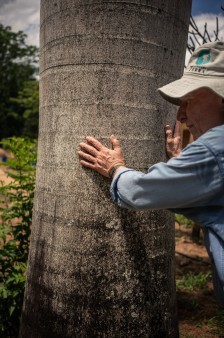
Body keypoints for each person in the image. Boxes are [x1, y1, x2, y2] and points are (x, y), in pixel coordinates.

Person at [78, 41, 224, 306]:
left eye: (189, 100)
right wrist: (182, 164)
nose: (181, 115)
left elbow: (141, 191)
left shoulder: (217, 147)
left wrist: (114, 168)